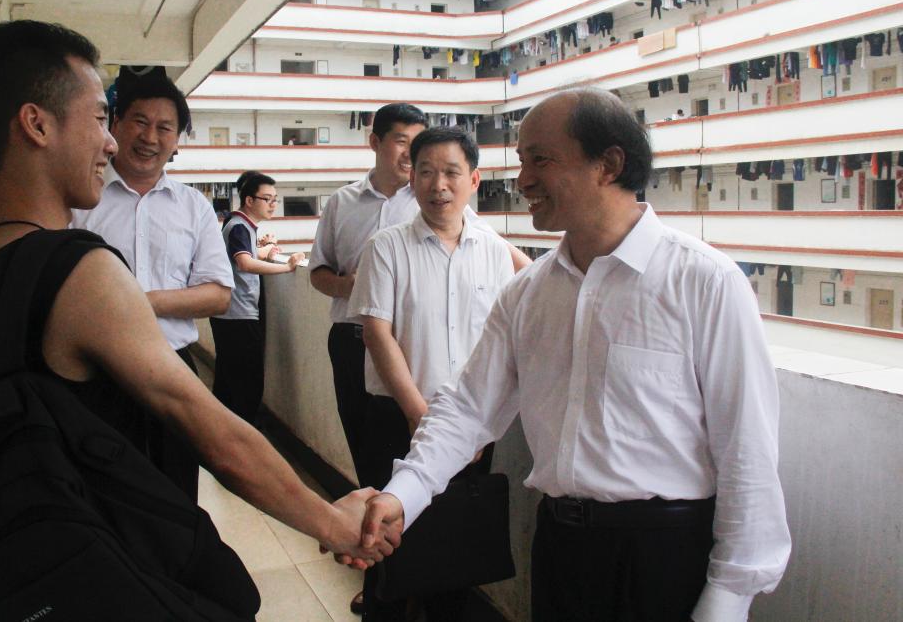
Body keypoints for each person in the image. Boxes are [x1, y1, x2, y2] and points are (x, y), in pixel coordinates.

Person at [0, 21, 393, 605]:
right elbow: (217, 435)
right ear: (37, 124)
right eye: (100, 118)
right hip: (102, 567)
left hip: (29, 565)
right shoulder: (78, 272)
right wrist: (333, 522)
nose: (111, 142)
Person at [360, 88, 791, 622]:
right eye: (522, 161)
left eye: (540, 160)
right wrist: (402, 495)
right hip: (561, 550)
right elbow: (468, 408)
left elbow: (746, 447)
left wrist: (728, 597)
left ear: (608, 164)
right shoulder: (528, 292)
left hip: (664, 556)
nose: (523, 181)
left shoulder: (703, 282)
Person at [308, 103, 531, 615]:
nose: (438, 185)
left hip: (472, 425)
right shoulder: (386, 247)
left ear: (473, 180)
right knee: (384, 539)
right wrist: (417, 411)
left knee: (456, 541)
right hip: (396, 412)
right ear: (413, 181)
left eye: (451, 172)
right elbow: (377, 333)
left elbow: (505, 335)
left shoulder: (492, 249)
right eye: (426, 172)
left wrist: (475, 425)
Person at [71, 72, 230, 501]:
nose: (150, 137)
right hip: (94, 372)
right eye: (140, 122)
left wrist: (140, 303)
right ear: (116, 124)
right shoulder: (80, 201)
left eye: (165, 128)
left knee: (175, 490)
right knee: (102, 492)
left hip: (174, 368)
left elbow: (218, 293)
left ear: (177, 140)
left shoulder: (194, 207)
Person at [210, 170, 304, 424]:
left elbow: (247, 255)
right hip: (238, 315)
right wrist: (287, 267)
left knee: (228, 380)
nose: (273, 204)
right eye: (267, 199)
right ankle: (242, 432)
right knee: (246, 382)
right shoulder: (240, 226)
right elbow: (244, 263)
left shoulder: (237, 223)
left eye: (275, 199)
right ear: (249, 200)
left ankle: (223, 430)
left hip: (229, 314)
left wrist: (266, 250)